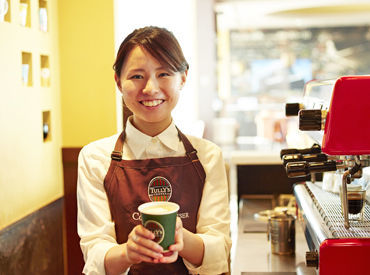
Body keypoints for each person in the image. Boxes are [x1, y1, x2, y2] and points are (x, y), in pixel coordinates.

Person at [77, 26, 231, 275]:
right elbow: (94, 253)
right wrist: (128, 251)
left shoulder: (208, 156)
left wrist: (181, 238)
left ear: (183, 78)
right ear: (118, 82)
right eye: (137, 76)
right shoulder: (95, 158)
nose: (150, 88)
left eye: (164, 73)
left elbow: (219, 250)